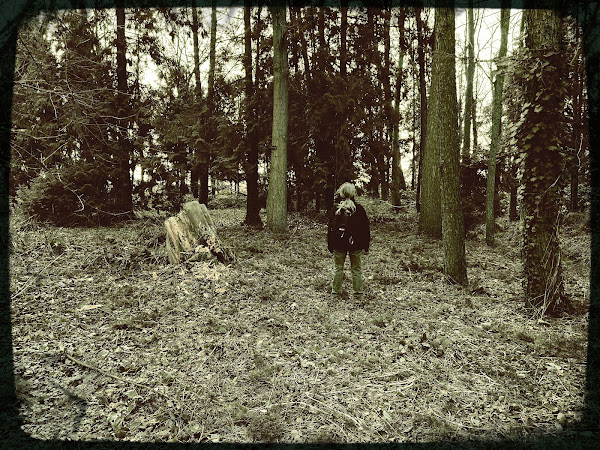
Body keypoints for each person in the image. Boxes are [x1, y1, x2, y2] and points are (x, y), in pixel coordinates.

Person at [327, 182, 370, 300]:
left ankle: (335, 294)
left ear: (341, 193)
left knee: (338, 268)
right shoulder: (359, 209)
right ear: (353, 194)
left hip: (338, 244)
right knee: (356, 269)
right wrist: (366, 246)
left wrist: (330, 244)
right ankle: (358, 294)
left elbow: (330, 229)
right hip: (355, 244)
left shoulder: (336, 209)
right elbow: (365, 229)